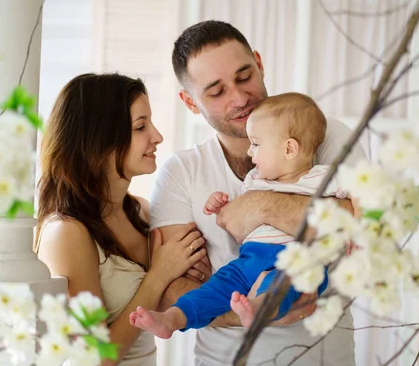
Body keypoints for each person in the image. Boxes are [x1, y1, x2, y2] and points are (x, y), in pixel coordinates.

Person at [148, 20, 367, 365]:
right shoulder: (181, 173)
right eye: (217, 92)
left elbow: (359, 227)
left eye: (244, 76)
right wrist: (258, 311)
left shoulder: (322, 135)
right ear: (190, 103)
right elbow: (170, 288)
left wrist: (258, 207)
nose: (239, 97)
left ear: (260, 65)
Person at [130, 92, 349, 338]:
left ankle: (257, 308)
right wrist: (219, 205)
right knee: (216, 288)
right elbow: (235, 217)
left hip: (296, 263)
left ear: (289, 149)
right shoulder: (256, 180)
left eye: (256, 144)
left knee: (282, 286)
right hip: (250, 259)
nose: (249, 153)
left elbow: (360, 198)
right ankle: (173, 318)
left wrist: (357, 231)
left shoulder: (321, 178)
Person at [34, 73, 212, 366]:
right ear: (98, 141)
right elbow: (92, 358)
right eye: (140, 126)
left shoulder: (141, 213)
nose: (157, 136)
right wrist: (159, 276)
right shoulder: (67, 232)